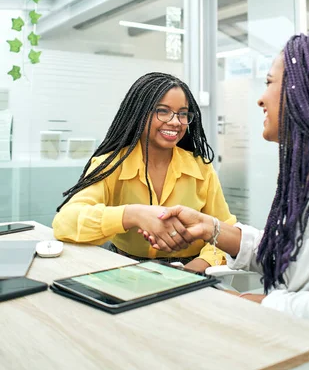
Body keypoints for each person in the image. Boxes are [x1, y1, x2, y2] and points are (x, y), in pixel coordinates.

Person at [141, 33, 309, 370]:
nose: (261, 99)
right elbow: (293, 260)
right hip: (297, 336)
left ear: (307, 90)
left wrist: (249, 305)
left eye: (268, 83)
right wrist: (212, 229)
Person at [53, 72, 235, 273]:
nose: (175, 121)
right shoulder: (110, 164)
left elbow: (226, 231)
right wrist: (133, 214)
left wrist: (193, 271)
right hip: (124, 272)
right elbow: (66, 222)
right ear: (139, 113)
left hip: (192, 272)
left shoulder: (201, 168)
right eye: (162, 111)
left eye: (183, 113)